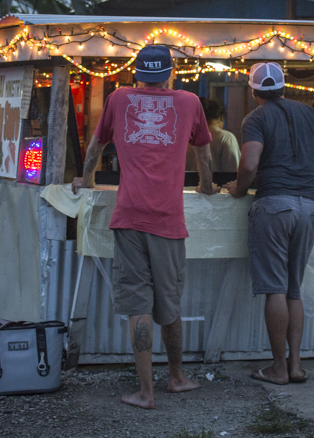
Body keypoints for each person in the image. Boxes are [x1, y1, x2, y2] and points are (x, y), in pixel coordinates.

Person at [72, 46, 219, 409]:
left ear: (136, 73)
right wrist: (206, 186)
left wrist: (87, 179)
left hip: (130, 215)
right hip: (168, 219)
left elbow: (96, 146)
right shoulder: (189, 103)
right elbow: (204, 153)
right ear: (171, 72)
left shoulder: (119, 98)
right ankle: (176, 378)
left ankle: (145, 393)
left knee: (137, 302)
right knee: (168, 302)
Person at [223, 62, 314, 385]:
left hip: (274, 206)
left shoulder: (257, 118)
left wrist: (238, 190)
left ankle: (278, 369)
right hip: (309, 207)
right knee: (294, 289)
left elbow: (249, 164)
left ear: (254, 91)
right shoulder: (310, 114)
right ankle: (295, 366)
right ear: (284, 87)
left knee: (275, 290)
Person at [201, 98, 240, 172]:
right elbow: (233, 170)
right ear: (221, 118)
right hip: (217, 183)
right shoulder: (226, 137)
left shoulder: (190, 139)